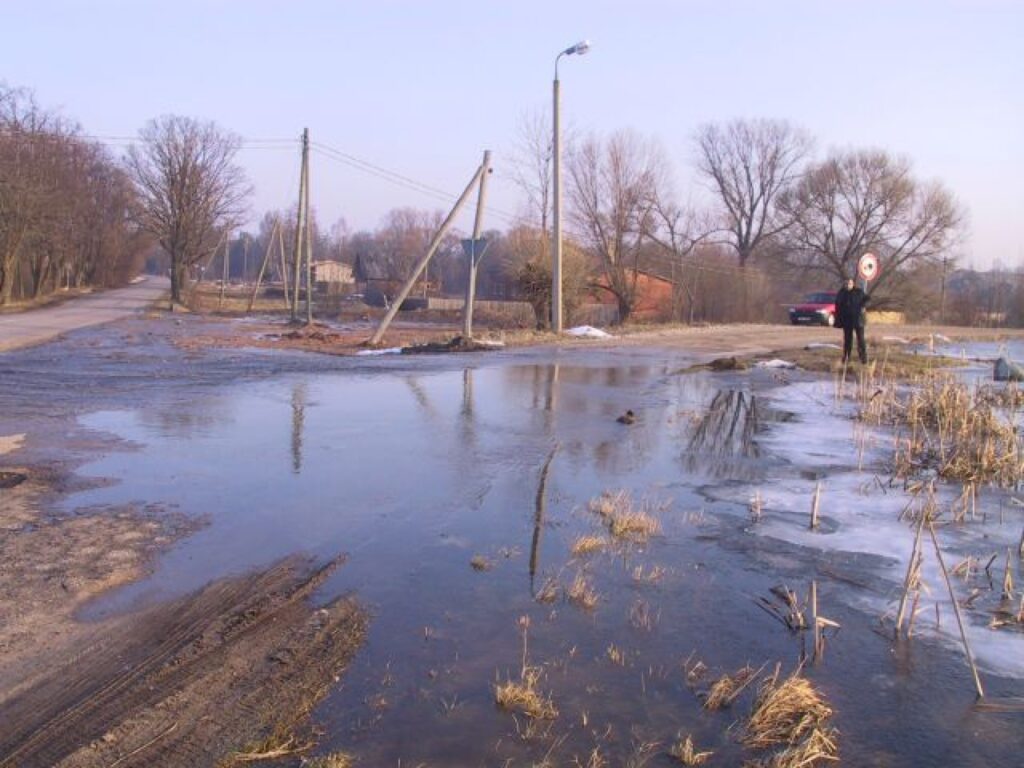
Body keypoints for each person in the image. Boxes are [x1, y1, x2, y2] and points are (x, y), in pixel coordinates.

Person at [835, 277, 870, 364]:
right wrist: (838, 319)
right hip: (847, 320)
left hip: (858, 319)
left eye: (849, 283)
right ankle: (846, 357)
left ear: (853, 284)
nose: (848, 285)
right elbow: (838, 306)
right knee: (847, 340)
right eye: (846, 284)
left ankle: (863, 358)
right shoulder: (841, 293)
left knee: (861, 339)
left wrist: (863, 306)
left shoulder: (858, 292)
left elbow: (867, 299)